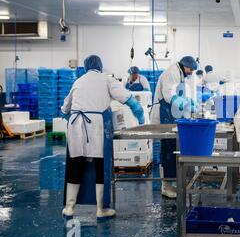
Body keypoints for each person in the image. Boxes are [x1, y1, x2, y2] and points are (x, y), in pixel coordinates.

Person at [61, 55, 145, 221]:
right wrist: (139, 113)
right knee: (101, 165)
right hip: (96, 126)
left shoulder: (78, 81)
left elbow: (65, 108)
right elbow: (127, 97)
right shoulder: (106, 79)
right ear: (100, 66)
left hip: (76, 125)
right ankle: (101, 209)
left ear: (86, 67)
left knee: (76, 165)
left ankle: (69, 208)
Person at [150, 56, 198, 198]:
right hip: (163, 116)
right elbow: (168, 94)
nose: (191, 72)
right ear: (184, 66)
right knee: (167, 151)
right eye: (190, 69)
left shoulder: (180, 74)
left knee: (172, 150)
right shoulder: (172, 72)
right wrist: (182, 103)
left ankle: (171, 183)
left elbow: (179, 93)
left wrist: (189, 101)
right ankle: (166, 186)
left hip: (171, 117)